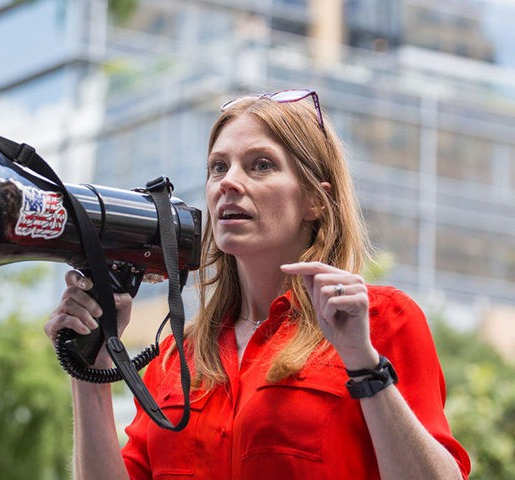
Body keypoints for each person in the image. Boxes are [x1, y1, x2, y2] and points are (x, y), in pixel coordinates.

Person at [45, 89, 471, 479]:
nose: (228, 182)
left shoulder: (381, 319)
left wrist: (363, 363)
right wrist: (90, 369)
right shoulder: (177, 357)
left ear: (314, 201)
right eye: (217, 167)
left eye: (260, 165)